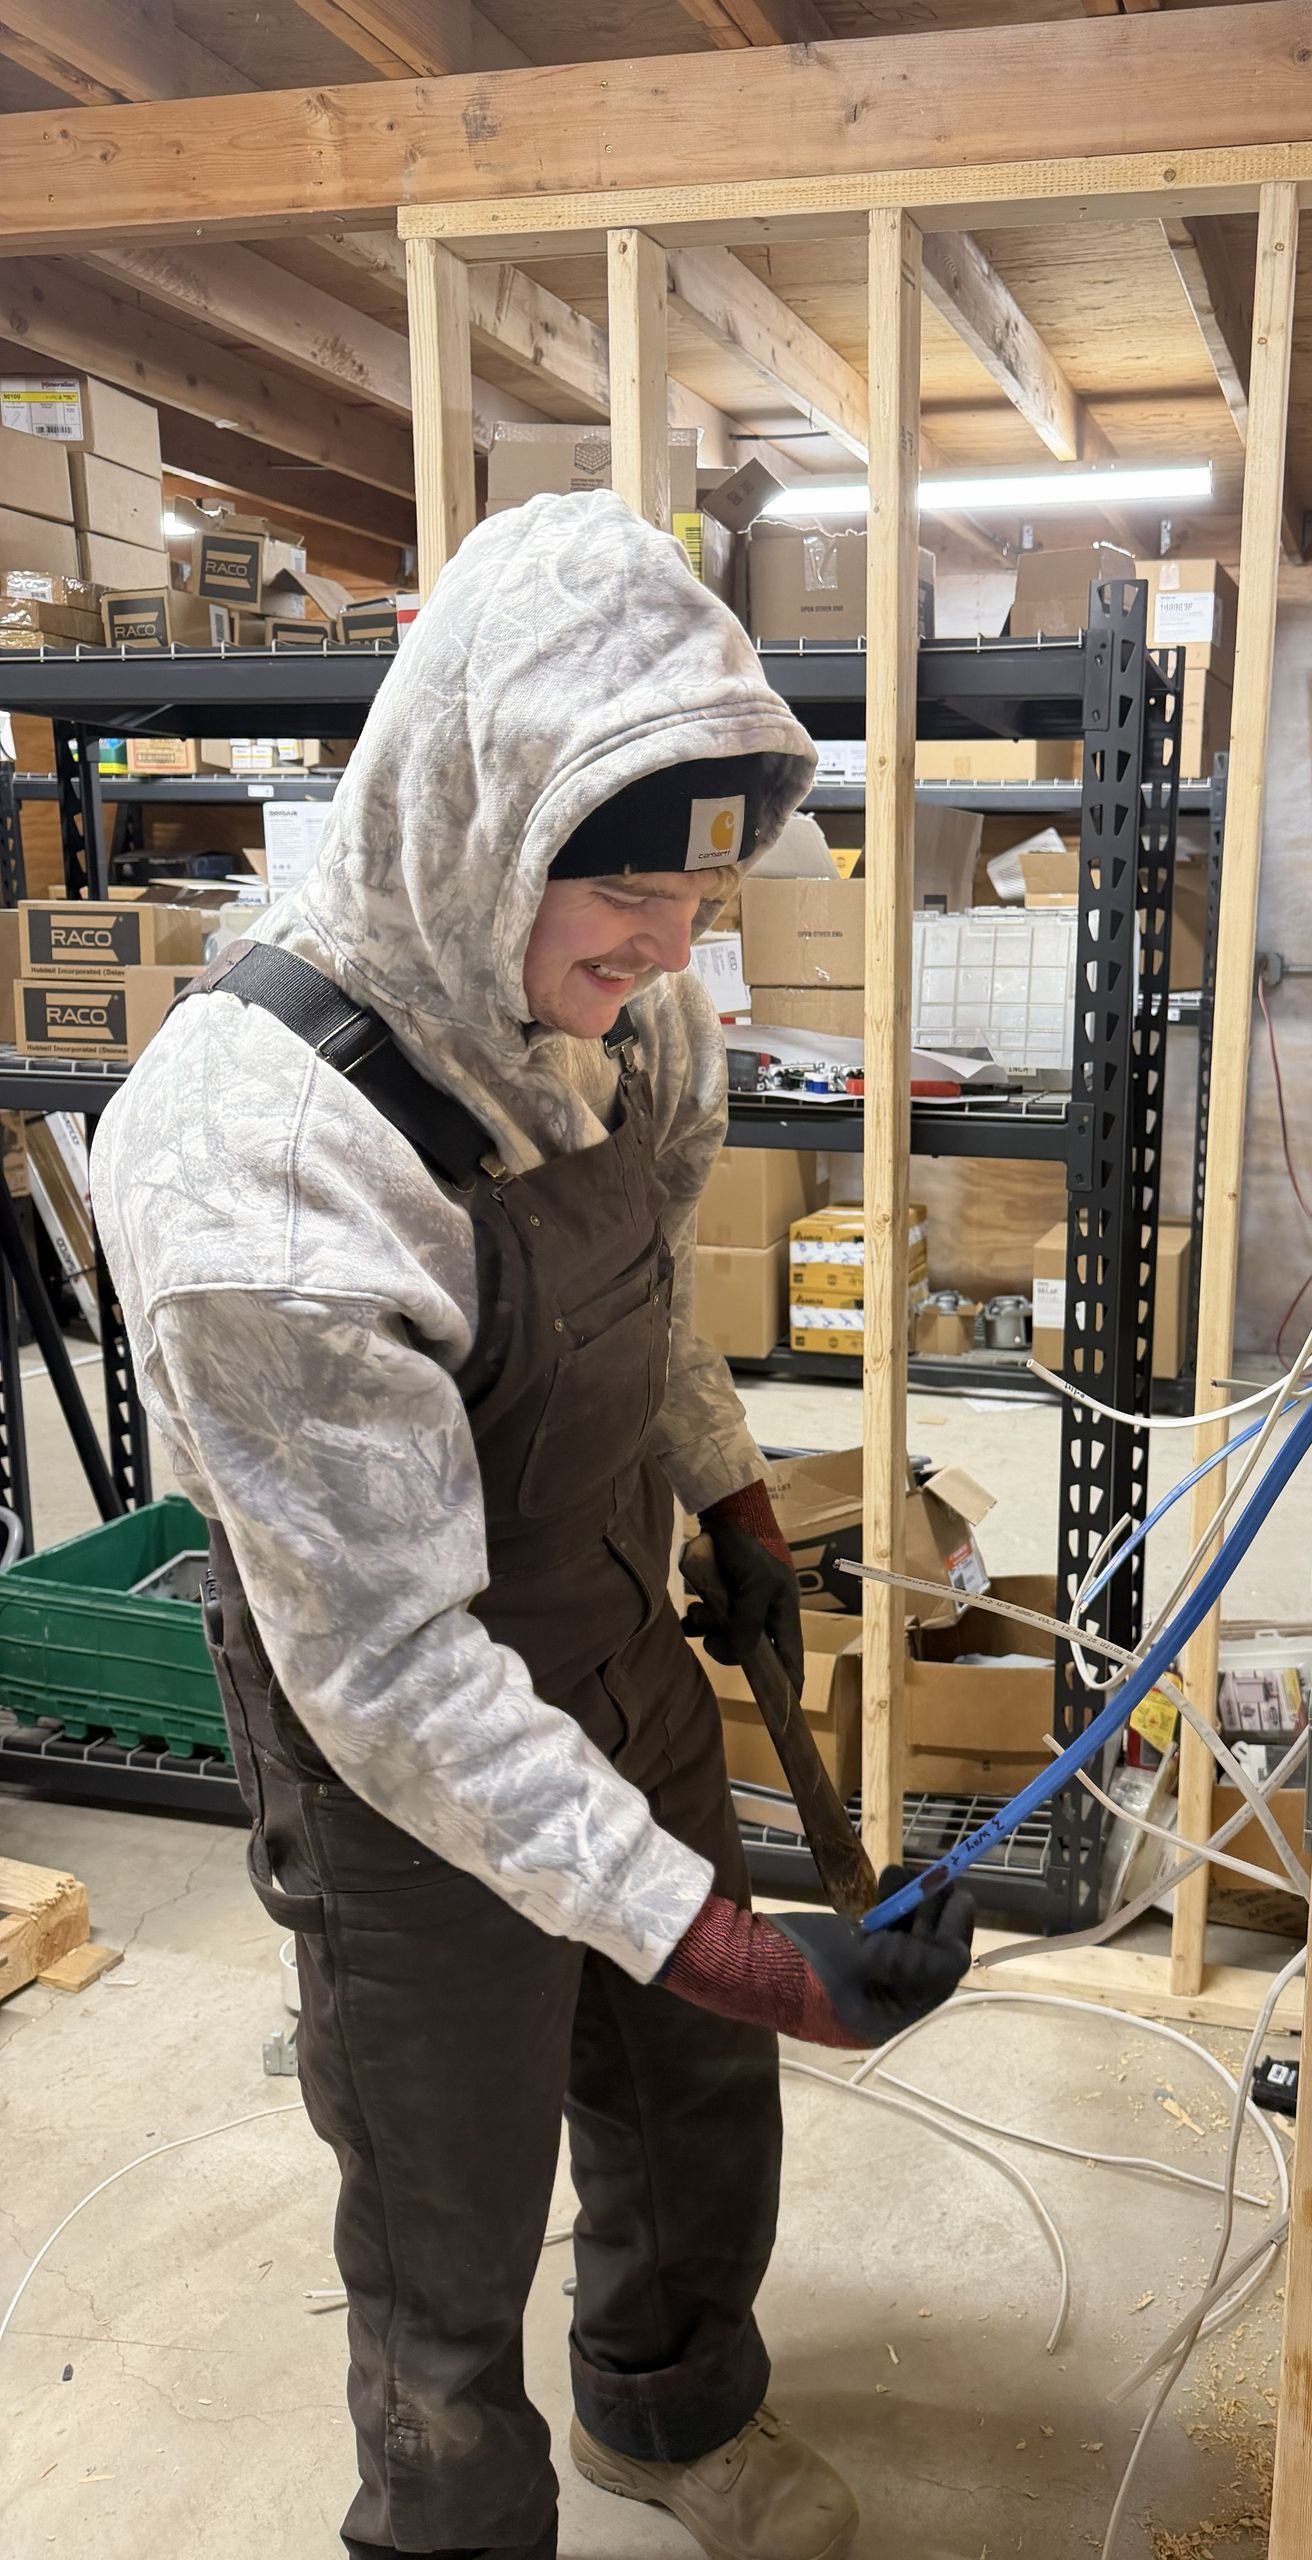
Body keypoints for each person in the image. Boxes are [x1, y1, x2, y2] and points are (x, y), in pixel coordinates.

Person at [92, 492, 975, 2560]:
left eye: (699, 888)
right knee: (446, 2192)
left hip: (603, 1615)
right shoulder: (258, 1173)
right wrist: (748, 1943)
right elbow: (392, 1669)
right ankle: (452, 2528)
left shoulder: (638, 1008)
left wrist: (735, 1500)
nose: (674, 944)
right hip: (390, 1726)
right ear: (480, 815)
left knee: (682, 2093)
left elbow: (646, 1294)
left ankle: (667, 2410)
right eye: (627, 891)